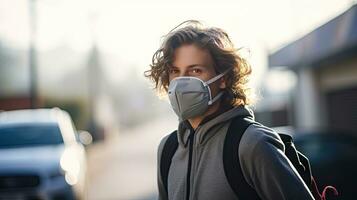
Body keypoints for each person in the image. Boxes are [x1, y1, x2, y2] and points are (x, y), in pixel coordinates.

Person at [145, 20, 315, 200]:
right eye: (174, 71)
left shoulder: (252, 144)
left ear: (223, 78)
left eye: (195, 70)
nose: (181, 82)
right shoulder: (167, 149)